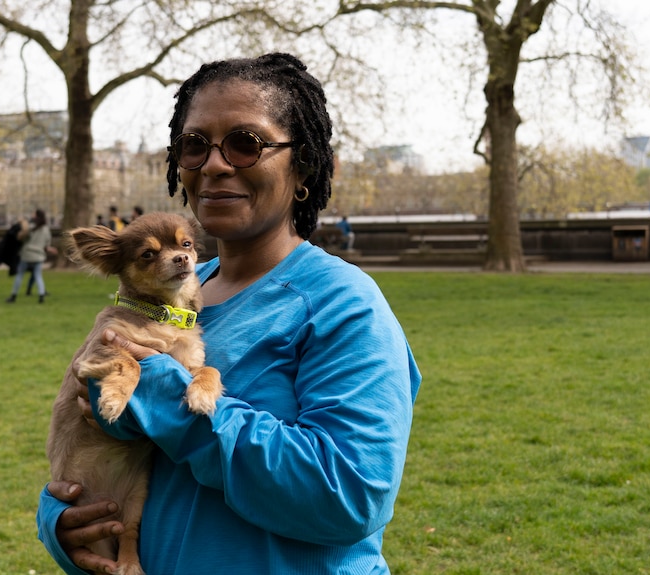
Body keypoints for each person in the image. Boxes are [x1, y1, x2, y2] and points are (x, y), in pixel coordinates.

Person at [36, 53, 421, 574]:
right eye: (194, 146)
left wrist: (160, 393)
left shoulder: (343, 303)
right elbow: (95, 445)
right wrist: (64, 521)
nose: (215, 164)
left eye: (246, 144)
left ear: (303, 163)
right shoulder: (160, 301)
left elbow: (350, 495)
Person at [6, 209, 56, 304]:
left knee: (19, 275)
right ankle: (41, 295)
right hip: (38, 256)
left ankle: (13, 296)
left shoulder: (29, 228)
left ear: (36, 216)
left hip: (26, 255)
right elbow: (46, 245)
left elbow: (21, 238)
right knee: (38, 276)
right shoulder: (46, 230)